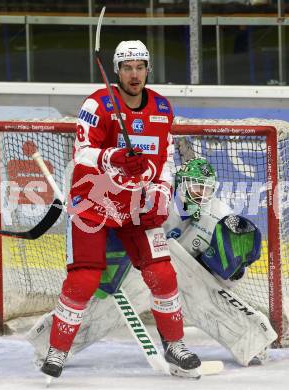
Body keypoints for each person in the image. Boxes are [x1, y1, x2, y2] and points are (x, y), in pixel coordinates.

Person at [40, 40, 201, 379]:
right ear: (117, 70)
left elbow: (167, 156)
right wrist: (110, 156)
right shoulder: (98, 104)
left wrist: (162, 187)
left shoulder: (161, 106)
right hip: (94, 202)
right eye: (127, 68)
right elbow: (82, 152)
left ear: (147, 69)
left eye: (140, 66)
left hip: (137, 206)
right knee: (84, 280)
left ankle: (174, 345)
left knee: (163, 274)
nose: (134, 74)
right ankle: (57, 350)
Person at [30, 157, 277, 374]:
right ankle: (48, 344)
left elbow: (228, 280)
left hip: (187, 281)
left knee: (187, 281)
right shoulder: (158, 198)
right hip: (143, 268)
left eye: (206, 188)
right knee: (109, 301)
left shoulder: (219, 217)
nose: (201, 194)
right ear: (180, 185)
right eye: (195, 186)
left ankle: (253, 339)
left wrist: (231, 265)